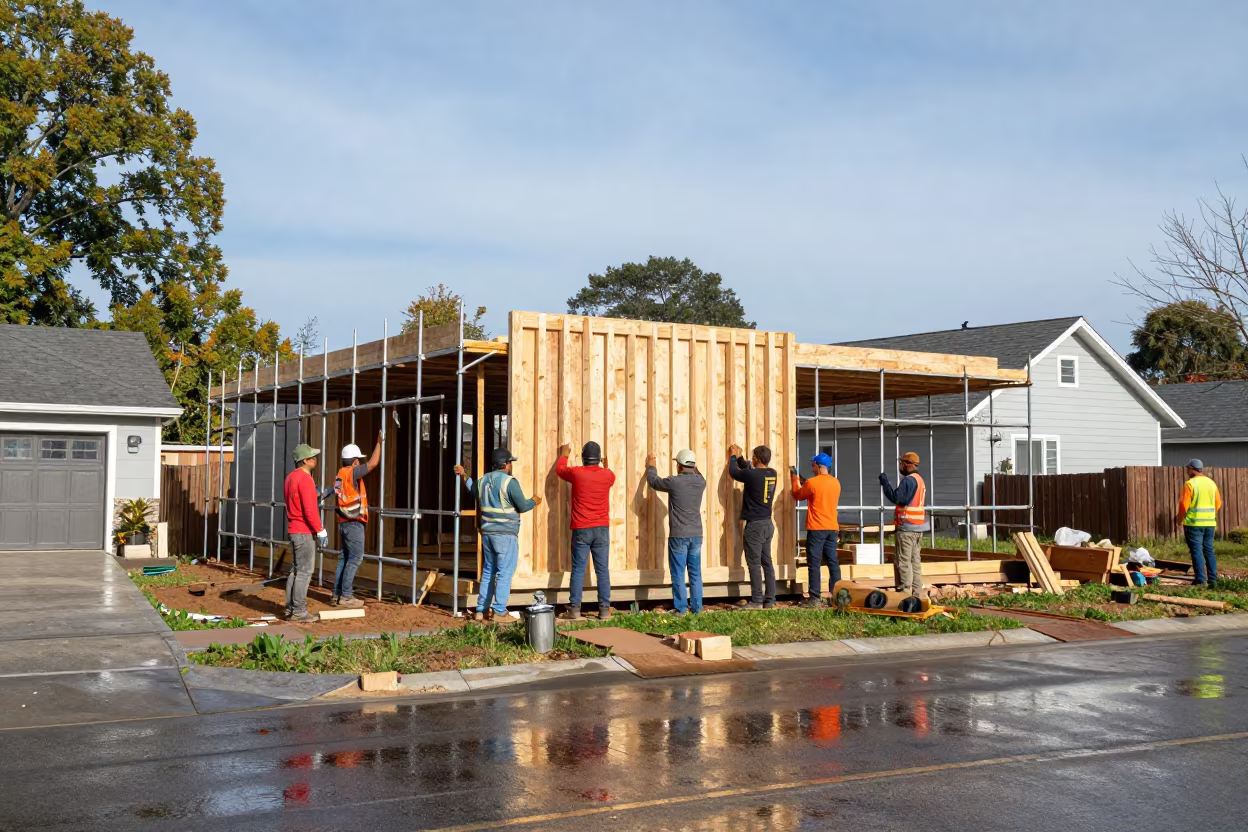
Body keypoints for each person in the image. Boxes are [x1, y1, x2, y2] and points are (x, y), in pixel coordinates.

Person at [455, 448, 542, 621]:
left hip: (488, 534)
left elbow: (472, 491)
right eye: (510, 462)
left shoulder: (485, 480)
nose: (510, 465)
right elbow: (523, 506)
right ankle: (500, 611)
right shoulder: (509, 482)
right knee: (504, 572)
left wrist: (464, 475)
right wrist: (534, 501)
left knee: (489, 571)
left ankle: (481, 610)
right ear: (506, 464)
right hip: (505, 534)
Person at [556, 441, 616, 620]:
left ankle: (574, 609)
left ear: (583, 458)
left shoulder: (576, 473)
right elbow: (609, 475)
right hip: (601, 529)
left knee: (578, 570)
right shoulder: (608, 475)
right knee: (602, 570)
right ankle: (604, 610)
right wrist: (605, 465)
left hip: (581, 529)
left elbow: (560, 470)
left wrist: (564, 455)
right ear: (598, 458)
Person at [646, 449, 707, 616]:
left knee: (679, 572)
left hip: (679, 535)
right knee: (695, 573)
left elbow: (653, 481)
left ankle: (681, 609)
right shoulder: (701, 482)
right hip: (696, 535)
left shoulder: (674, 482)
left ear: (679, 466)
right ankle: (696, 609)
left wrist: (651, 465)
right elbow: (697, 472)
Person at [331, 431, 382, 608]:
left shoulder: (339, 474)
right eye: (358, 459)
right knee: (355, 558)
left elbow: (335, 492)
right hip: (353, 523)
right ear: (354, 461)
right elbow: (373, 463)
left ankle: (337, 594)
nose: (359, 462)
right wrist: (379, 443)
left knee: (344, 558)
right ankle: (346, 596)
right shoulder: (351, 472)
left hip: (343, 522)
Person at [728, 443, 779, 609]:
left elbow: (734, 472)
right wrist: (742, 459)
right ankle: (770, 600)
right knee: (767, 563)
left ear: (756, 458)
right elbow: (749, 470)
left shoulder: (752, 475)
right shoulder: (772, 473)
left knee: (754, 564)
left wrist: (733, 456)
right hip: (767, 524)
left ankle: (757, 600)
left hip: (755, 526)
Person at [791, 453, 842, 607]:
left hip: (817, 528)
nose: (812, 468)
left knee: (814, 563)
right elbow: (821, 492)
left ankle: (814, 598)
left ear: (818, 466)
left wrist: (795, 479)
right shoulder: (836, 482)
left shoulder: (812, 483)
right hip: (832, 528)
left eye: (813, 465)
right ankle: (837, 596)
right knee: (833, 562)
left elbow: (797, 495)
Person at [283, 443, 327, 622]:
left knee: (295, 571)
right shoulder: (306, 479)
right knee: (305, 572)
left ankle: (290, 608)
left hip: (294, 529)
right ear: (305, 461)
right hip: (303, 531)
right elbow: (310, 510)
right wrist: (320, 530)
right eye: (312, 457)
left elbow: (298, 501)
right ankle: (299, 611)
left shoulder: (290, 478)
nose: (315, 459)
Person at [880, 451, 930, 598]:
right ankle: (917, 593)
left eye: (901, 463)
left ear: (907, 465)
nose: (900, 466)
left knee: (904, 561)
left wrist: (885, 483)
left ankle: (905, 594)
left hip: (907, 528)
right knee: (915, 562)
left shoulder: (908, 480)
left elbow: (898, 498)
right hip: (917, 528)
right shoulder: (919, 480)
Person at [1176, 458, 1222, 586]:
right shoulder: (1211, 483)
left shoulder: (1190, 484)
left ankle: (1201, 580)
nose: (1186, 471)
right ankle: (1213, 579)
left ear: (1191, 469)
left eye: (1187, 469)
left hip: (1194, 524)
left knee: (1197, 551)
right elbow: (1218, 503)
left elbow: (1184, 505)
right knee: (1209, 550)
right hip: (1210, 524)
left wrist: (1180, 519)